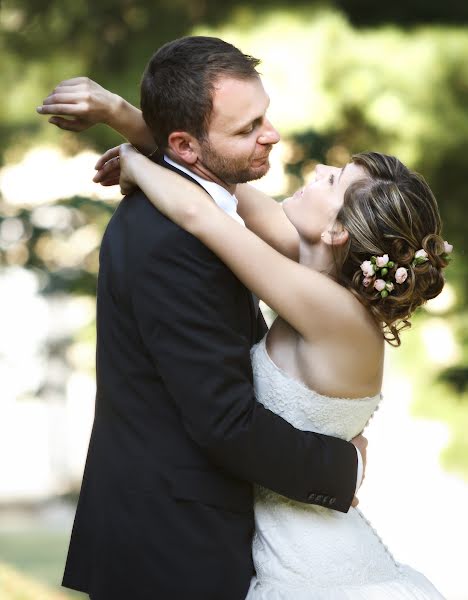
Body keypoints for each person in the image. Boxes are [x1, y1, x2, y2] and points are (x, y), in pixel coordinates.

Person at [37, 37, 370, 600]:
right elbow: (225, 422)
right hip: (171, 550)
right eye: (247, 130)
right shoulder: (174, 240)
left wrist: (127, 128)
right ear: (186, 147)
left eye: (264, 115)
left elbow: (207, 192)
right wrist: (344, 468)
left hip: (196, 538)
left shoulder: (213, 210)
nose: (273, 135)